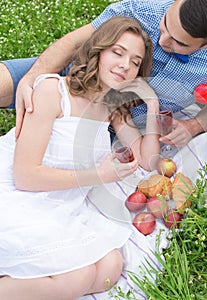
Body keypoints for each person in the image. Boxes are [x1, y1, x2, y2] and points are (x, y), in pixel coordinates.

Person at [0, 16, 161, 300]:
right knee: (81, 276)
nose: (126, 65)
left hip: (60, 202)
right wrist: (99, 176)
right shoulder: (53, 91)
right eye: (118, 52)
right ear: (98, 51)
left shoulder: (113, 108)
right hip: (16, 192)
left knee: (111, 268)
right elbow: (24, 176)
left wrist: (152, 107)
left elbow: (147, 161)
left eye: (136, 62)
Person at [0, 0, 207, 148]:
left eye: (179, 42)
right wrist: (31, 79)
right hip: (79, 79)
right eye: (165, 23)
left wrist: (192, 126)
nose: (162, 39)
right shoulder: (142, 8)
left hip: (121, 128)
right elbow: (75, 43)